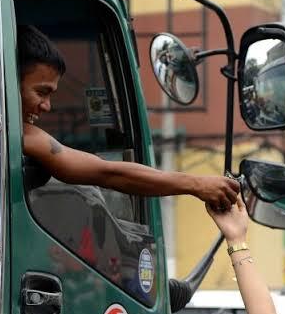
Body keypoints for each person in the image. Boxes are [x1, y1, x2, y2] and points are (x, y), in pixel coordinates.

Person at [18, 25, 239, 210]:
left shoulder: (19, 135)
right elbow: (108, 173)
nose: (47, 106)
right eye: (41, 92)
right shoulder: (23, 135)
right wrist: (195, 184)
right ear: (9, 82)